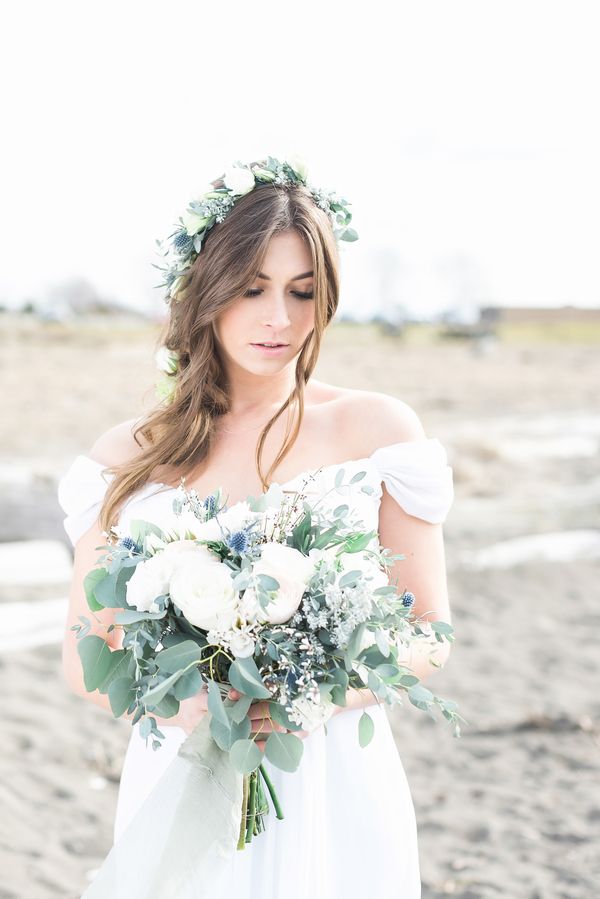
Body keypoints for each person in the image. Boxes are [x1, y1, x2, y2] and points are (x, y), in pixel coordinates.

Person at [57, 156, 455, 898]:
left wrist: (313, 695)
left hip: (332, 776)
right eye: (252, 288)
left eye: (303, 291)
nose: (281, 317)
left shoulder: (378, 431)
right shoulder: (127, 458)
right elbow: (86, 651)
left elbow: (428, 629)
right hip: (181, 769)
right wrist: (188, 705)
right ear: (206, 290)